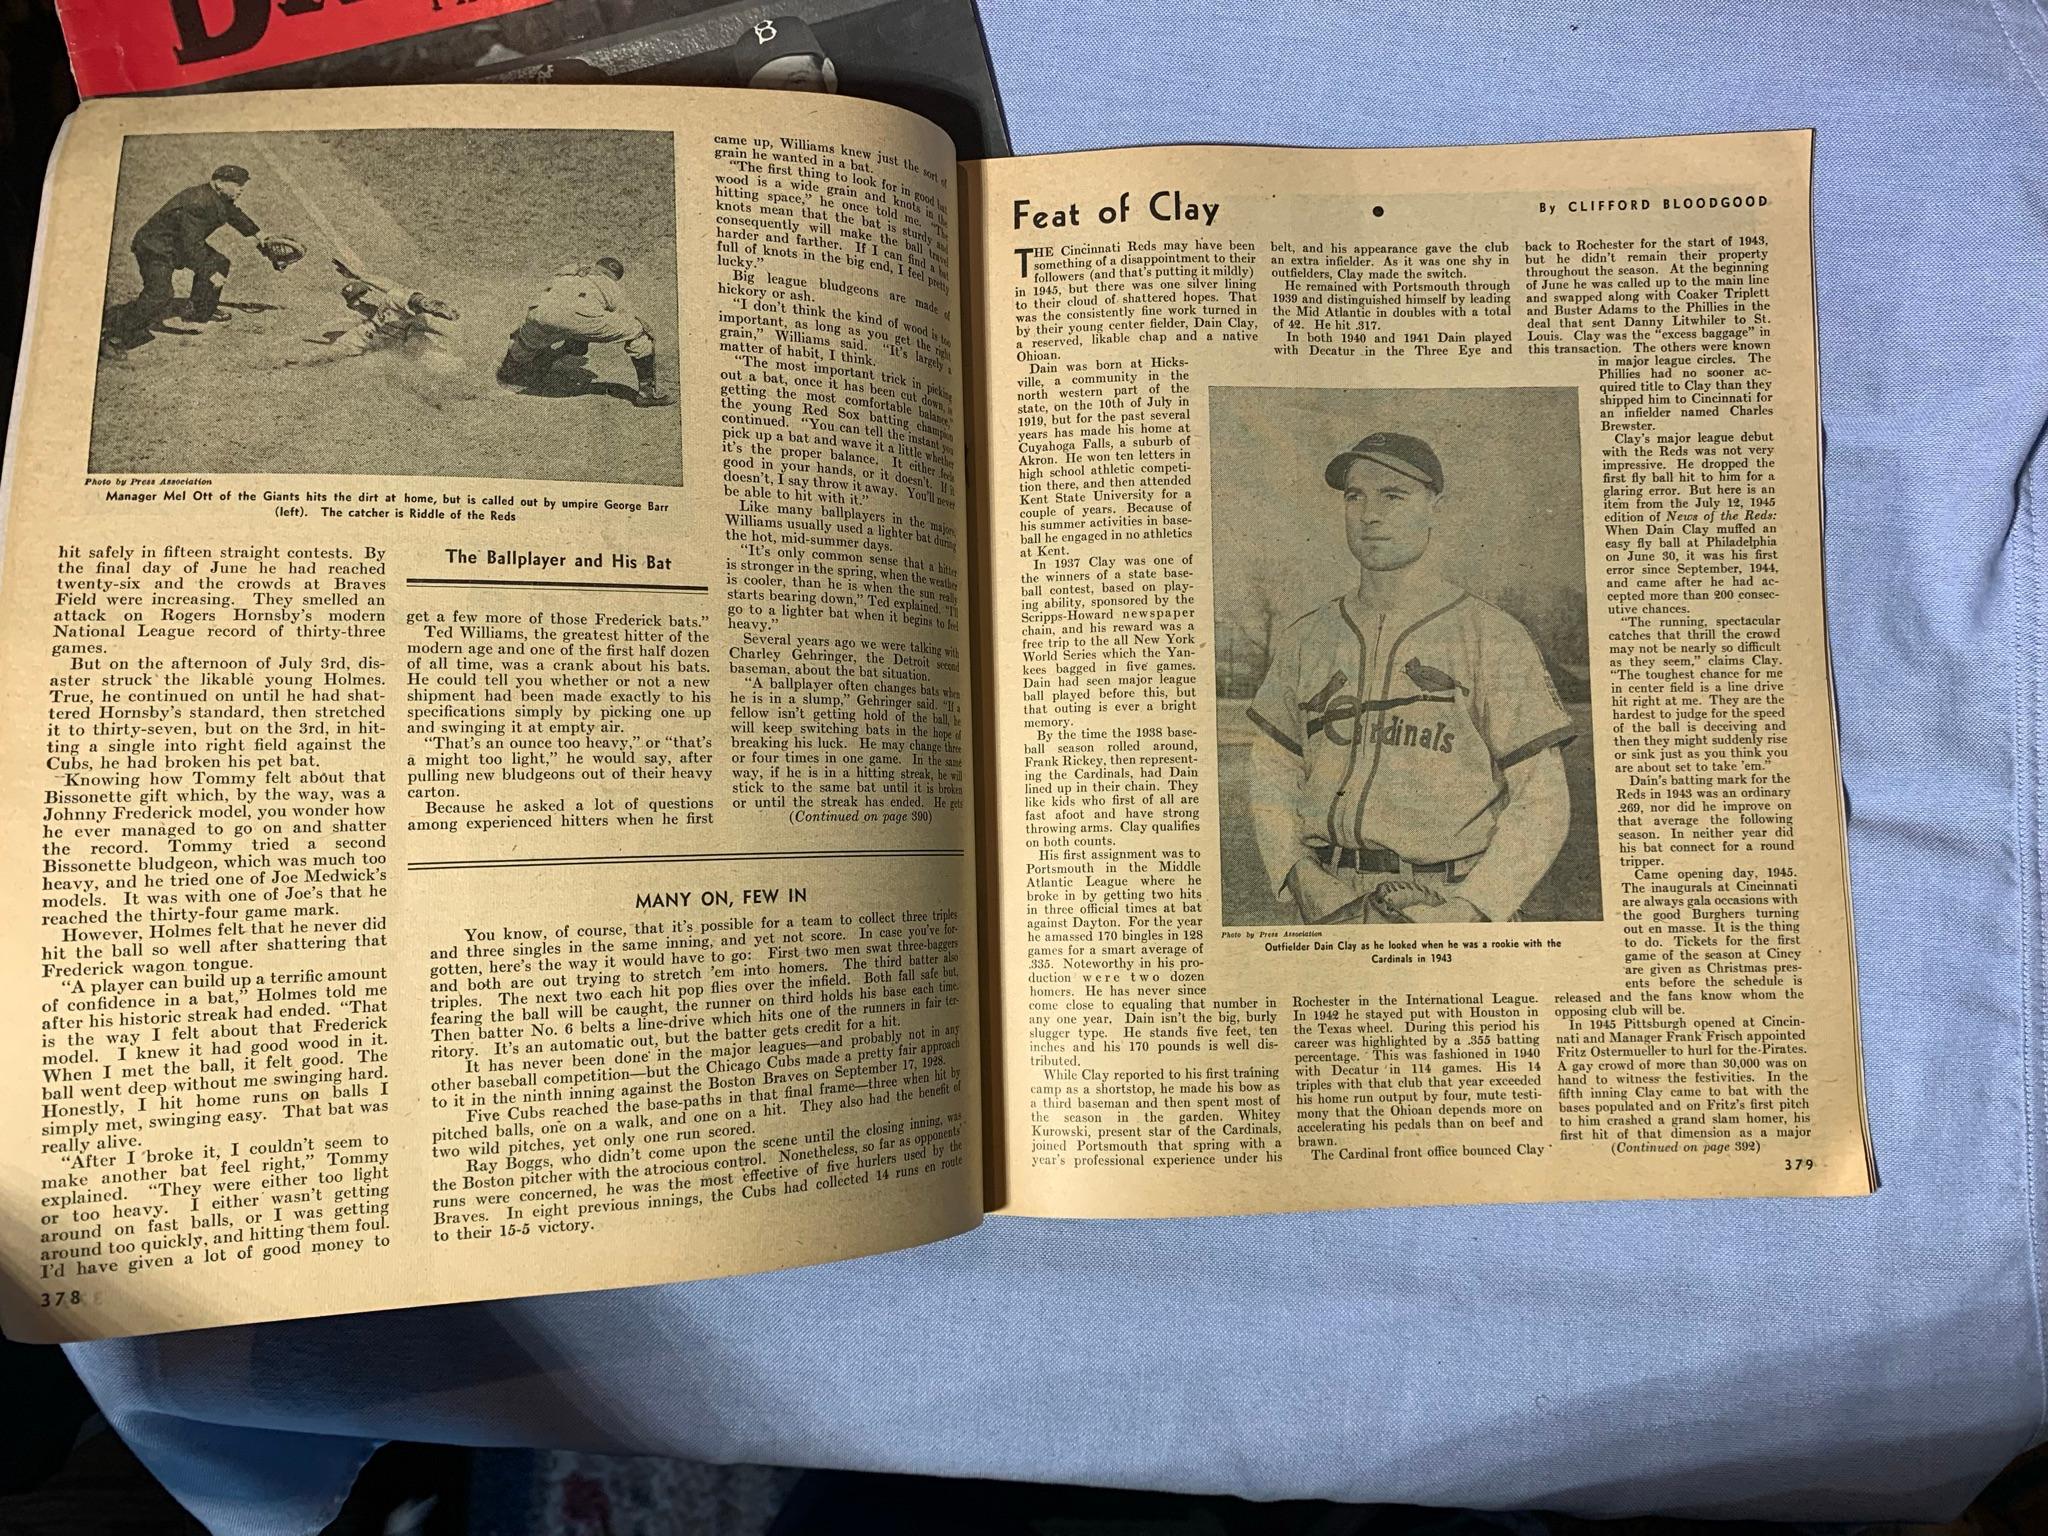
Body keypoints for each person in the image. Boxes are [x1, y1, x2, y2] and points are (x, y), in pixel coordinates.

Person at [1245, 431, 1574, 924]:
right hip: (1331, 901)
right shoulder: (1307, 638)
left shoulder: (1491, 634)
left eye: (1392, 496)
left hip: (1445, 898)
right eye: (1355, 496)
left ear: (1434, 507)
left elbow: (1542, 798)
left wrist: (1472, 908)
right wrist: (1296, 870)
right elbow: (1271, 771)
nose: (1369, 515)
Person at [101, 164, 294, 355]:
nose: (241, 188)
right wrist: (209, 273)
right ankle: (113, 336)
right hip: (155, 248)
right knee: (160, 294)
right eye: (236, 183)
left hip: (176, 243)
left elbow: (233, 214)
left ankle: (201, 311)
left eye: (242, 184)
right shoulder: (198, 203)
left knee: (219, 262)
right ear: (219, 183)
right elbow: (190, 246)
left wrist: (259, 236)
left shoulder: (216, 197)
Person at [494, 256, 672, 407]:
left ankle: (510, 374)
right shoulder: (608, 283)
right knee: (640, 334)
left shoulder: (566, 273)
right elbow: (626, 315)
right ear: (614, 276)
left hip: (539, 313)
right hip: (580, 318)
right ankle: (647, 394)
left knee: (524, 340)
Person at [280, 259, 459, 369]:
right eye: (353, 301)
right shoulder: (374, 318)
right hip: (378, 339)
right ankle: (287, 364)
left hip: (413, 339)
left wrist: (440, 309)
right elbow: (376, 310)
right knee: (327, 354)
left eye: (359, 298)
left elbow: (418, 300)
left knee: (448, 367)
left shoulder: (396, 297)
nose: (356, 304)